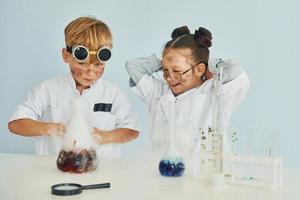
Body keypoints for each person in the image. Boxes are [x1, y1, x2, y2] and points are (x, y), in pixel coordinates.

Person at [8, 16, 139, 158]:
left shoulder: (113, 94)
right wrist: (55, 129)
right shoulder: (47, 89)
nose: (90, 71)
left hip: (102, 169)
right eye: (82, 63)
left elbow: (131, 131)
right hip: (53, 169)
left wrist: (103, 136)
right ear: (66, 55)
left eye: (98, 64)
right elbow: (16, 124)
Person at [125, 26, 249, 157]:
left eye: (177, 72)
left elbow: (235, 71)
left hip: (207, 171)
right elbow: (132, 66)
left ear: (199, 70)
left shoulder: (215, 92)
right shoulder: (158, 92)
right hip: (164, 170)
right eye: (165, 71)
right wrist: (170, 60)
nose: (170, 78)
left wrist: (206, 61)